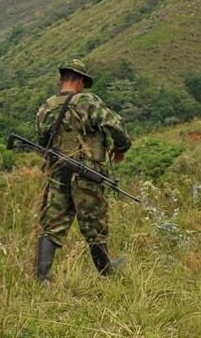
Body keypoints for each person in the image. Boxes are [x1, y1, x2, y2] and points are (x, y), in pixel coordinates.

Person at [34, 59, 131, 282]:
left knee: (52, 224)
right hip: (86, 174)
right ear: (79, 80)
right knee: (94, 224)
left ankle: (43, 276)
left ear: (61, 79)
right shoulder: (88, 101)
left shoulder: (46, 106)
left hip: (58, 174)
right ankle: (107, 272)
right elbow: (115, 125)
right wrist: (121, 148)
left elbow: (42, 142)